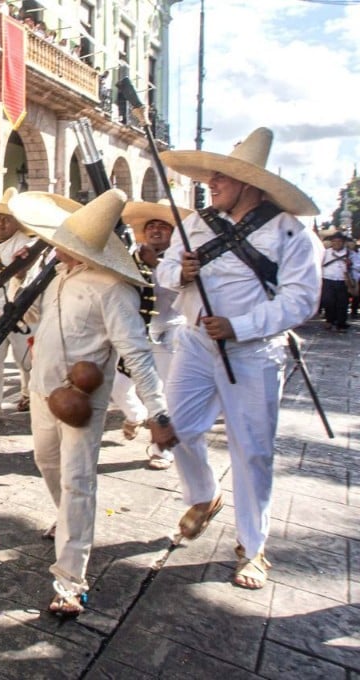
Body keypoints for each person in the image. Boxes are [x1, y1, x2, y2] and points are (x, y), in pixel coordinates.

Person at [156, 127, 322, 590]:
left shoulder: (290, 230)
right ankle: (203, 496)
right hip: (193, 344)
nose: (212, 182)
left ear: (249, 184)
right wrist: (181, 272)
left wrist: (240, 326)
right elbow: (166, 269)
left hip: (253, 352)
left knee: (252, 451)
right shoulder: (195, 223)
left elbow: (302, 300)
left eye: (222, 178)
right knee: (173, 429)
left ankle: (253, 546)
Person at [10, 189, 176, 616]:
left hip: (83, 399)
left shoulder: (114, 289)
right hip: (43, 392)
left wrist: (157, 412)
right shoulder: (56, 277)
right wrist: (16, 291)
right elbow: (38, 322)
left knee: (78, 481)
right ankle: (69, 522)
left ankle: (70, 581)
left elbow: (136, 351)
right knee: (46, 462)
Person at [107, 200, 192, 470]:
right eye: (151, 226)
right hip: (137, 333)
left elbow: (183, 290)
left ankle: (161, 449)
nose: (156, 230)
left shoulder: (182, 258)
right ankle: (135, 415)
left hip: (170, 333)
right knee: (117, 386)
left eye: (162, 227)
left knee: (166, 394)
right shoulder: (133, 255)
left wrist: (155, 264)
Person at [0, 188, 61, 423]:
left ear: (16, 222)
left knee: (27, 360)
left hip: (21, 312)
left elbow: (22, 282)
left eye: (6, 219)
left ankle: (28, 395)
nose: (0, 223)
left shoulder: (27, 245)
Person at [320, 232, 351, 332]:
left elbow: (357, 266)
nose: (337, 243)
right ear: (331, 242)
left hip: (343, 280)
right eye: (334, 241)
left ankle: (341, 324)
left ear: (343, 242)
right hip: (328, 279)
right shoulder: (325, 252)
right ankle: (330, 320)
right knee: (328, 301)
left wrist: (350, 264)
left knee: (342, 303)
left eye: (339, 241)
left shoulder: (350, 253)